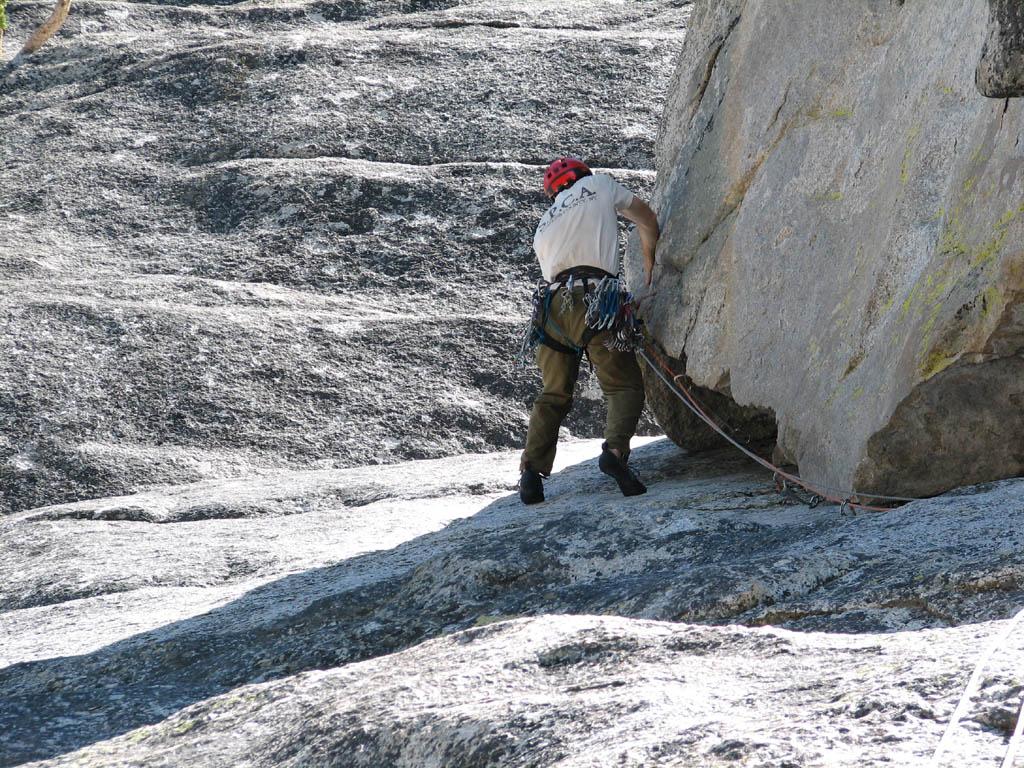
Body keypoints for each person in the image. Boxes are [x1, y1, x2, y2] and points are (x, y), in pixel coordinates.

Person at [519, 157, 660, 505]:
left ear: (553, 193)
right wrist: (649, 263)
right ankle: (614, 453)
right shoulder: (598, 184)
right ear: (582, 175)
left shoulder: (543, 225)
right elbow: (646, 218)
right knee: (622, 384)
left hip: (551, 310)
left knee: (553, 395)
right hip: (596, 300)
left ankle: (530, 474)